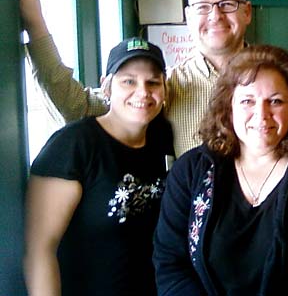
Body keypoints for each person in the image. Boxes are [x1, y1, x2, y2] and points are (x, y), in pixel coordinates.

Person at [153, 45, 288, 296]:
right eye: (247, 101)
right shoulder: (191, 171)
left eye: (275, 101)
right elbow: (171, 263)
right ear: (228, 107)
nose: (262, 115)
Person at [11, 0, 252, 157]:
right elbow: (76, 106)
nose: (215, 16)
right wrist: (36, 26)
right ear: (188, 17)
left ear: (247, 12)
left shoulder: (280, 81)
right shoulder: (166, 88)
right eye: (202, 7)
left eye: (227, 4)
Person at [23, 38, 175, 296]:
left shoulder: (163, 137)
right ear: (106, 87)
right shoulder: (74, 145)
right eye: (128, 81)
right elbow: (39, 250)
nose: (142, 92)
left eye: (153, 82)